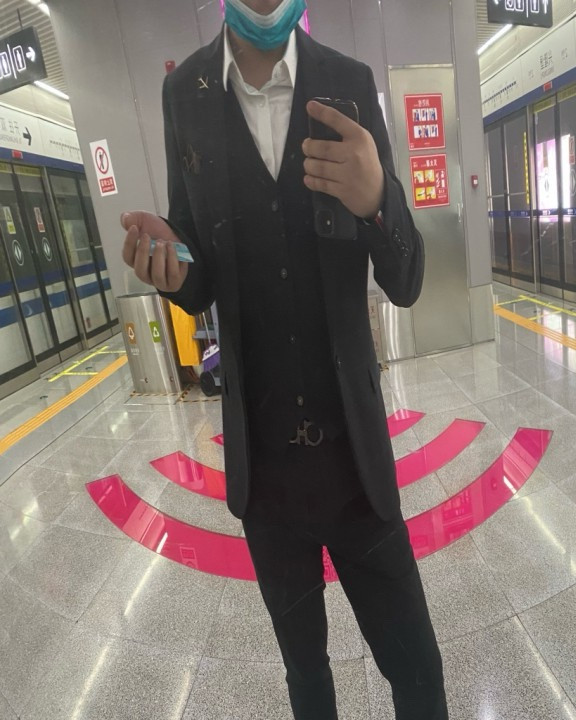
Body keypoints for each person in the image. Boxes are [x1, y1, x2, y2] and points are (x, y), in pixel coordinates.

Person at [121, 1, 448, 718]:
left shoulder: (348, 81)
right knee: (306, 677)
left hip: (356, 466)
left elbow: (407, 279)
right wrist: (174, 271)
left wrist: (378, 201)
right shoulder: (185, 94)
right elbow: (200, 271)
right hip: (265, 478)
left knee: (419, 671)